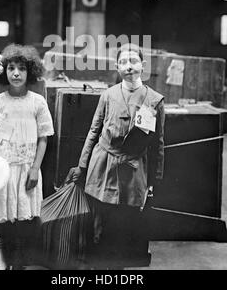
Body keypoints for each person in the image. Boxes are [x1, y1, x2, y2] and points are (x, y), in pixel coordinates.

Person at [70, 43, 165, 269]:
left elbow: (158, 143)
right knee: (98, 222)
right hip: (103, 166)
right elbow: (94, 131)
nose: (128, 67)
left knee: (124, 225)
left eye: (133, 61)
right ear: (117, 67)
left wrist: (153, 180)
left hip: (133, 170)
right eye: (123, 62)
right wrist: (83, 165)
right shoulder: (108, 95)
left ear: (143, 66)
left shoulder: (154, 100)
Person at [0, 44, 54, 270]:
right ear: (4, 72)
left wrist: (34, 169)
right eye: (11, 68)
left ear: (30, 71)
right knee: (4, 219)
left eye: (22, 68)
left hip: (27, 169)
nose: (16, 73)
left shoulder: (37, 103)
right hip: (3, 172)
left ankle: (20, 263)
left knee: (24, 219)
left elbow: (43, 138)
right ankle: (4, 262)